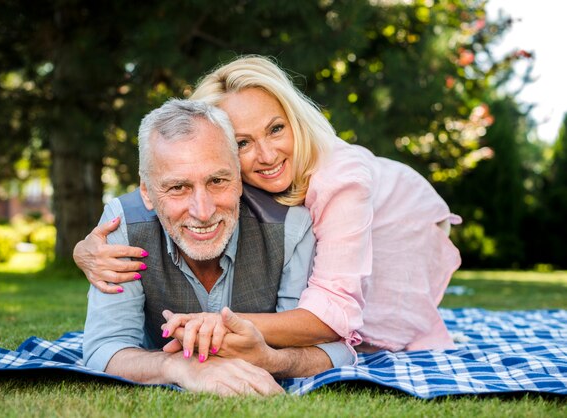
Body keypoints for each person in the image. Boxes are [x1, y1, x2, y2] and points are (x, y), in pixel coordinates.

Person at [76, 55, 461, 359]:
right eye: (242, 143)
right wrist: (86, 247)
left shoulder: (341, 182)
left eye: (276, 129)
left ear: (295, 119)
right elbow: (168, 177)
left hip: (399, 216)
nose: (267, 155)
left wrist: (218, 324)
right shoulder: (219, 174)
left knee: (366, 328)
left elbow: (334, 315)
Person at [82, 98, 354, 396]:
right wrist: (181, 367)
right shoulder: (122, 225)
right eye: (178, 187)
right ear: (146, 191)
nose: (203, 210)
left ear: (239, 178)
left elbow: (333, 351)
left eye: (217, 181)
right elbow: (103, 349)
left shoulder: (291, 227)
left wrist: (272, 359)